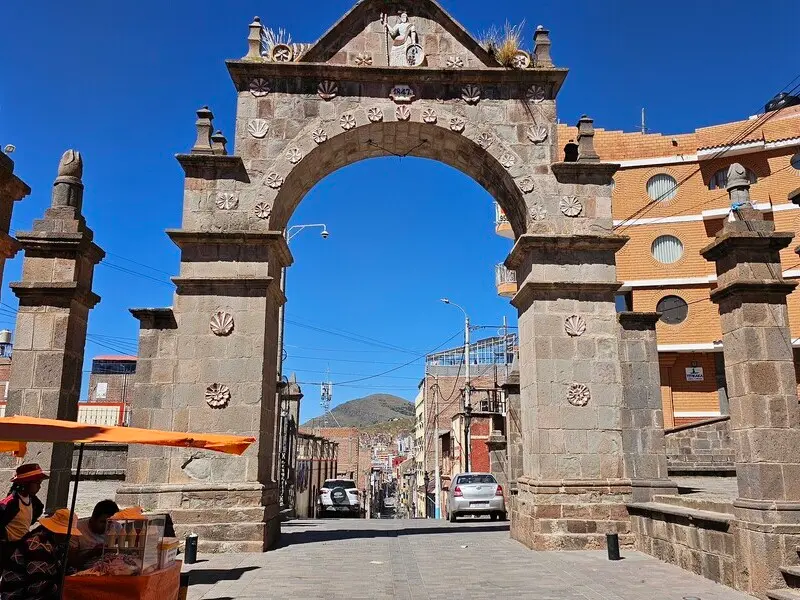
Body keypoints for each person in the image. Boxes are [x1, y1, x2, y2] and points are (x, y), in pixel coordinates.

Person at [0, 508, 81, 600]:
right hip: (17, 595)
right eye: (67, 533)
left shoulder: (54, 543)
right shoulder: (37, 545)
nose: (70, 536)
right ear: (58, 532)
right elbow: (36, 586)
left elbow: (62, 569)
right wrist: (64, 587)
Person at [0, 464, 48, 565]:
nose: (39, 486)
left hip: (22, 544)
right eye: (37, 483)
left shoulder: (35, 503)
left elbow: (30, 519)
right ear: (25, 483)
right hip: (6, 548)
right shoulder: (10, 504)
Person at [68, 500, 118, 570]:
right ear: (93, 518)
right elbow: (72, 561)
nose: (107, 526)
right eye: (103, 522)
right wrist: (92, 553)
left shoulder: (117, 528)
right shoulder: (77, 529)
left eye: (110, 522)